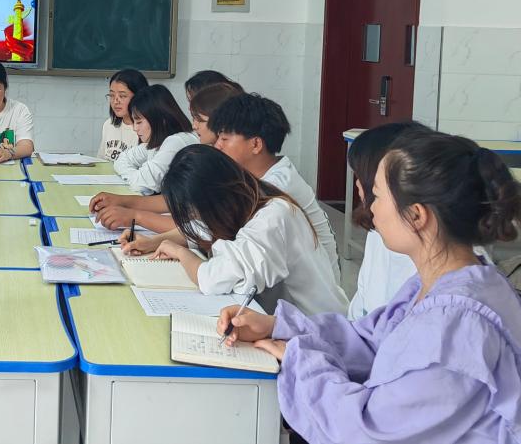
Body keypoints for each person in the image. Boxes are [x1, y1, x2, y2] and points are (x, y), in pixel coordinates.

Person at [219, 131, 521, 443]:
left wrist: (301, 362)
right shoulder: (444, 283)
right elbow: (372, 341)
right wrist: (279, 327)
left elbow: (366, 431)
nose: (371, 208)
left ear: (416, 215)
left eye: (377, 196)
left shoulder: (457, 328)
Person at [125, 145, 348, 316]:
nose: (196, 217)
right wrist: (155, 242)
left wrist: (182, 254)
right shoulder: (249, 198)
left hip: (315, 331)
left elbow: (213, 279)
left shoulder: (273, 217)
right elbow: (201, 228)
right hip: (282, 324)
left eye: (195, 211)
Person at [209, 92, 341, 280]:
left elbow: (216, 228)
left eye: (224, 139)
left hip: (308, 287)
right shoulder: (255, 175)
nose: (217, 146)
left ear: (256, 144)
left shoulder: (278, 186)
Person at [346, 121, 435, 319]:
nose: (358, 184)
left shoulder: (442, 285)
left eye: (377, 192)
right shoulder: (382, 234)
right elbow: (361, 318)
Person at [113, 85, 198, 194]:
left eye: (139, 122)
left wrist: (136, 177)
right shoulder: (157, 143)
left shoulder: (176, 141)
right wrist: (136, 176)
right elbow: (122, 159)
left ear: (161, 119)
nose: (135, 128)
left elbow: (141, 185)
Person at [98, 68, 149, 161]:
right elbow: (100, 162)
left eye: (122, 96)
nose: (115, 101)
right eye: (112, 95)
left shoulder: (147, 129)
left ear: (139, 97)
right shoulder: (109, 124)